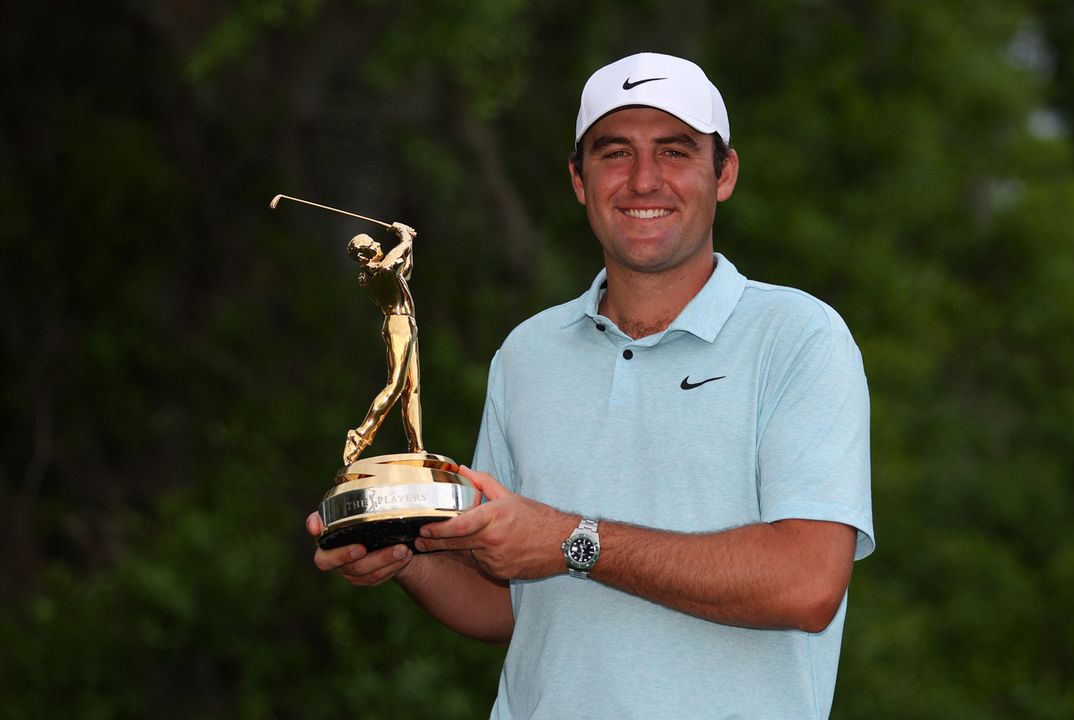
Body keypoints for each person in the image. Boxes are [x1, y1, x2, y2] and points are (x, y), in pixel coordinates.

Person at [308, 52, 875, 719]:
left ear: (724, 174)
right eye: (614, 153)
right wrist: (404, 556)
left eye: (674, 151)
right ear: (578, 179)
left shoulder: (799, 336)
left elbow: (806, 584)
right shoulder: (527, 354)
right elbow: (515, 603)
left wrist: (573, 540)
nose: (642, 180)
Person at [341, 221, 426, 465]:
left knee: (413, 389)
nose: (377, 243)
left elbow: (405, 268)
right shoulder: (372, 275)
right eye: (371, 244)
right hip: (397, 325)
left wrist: (408, 241)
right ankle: (360, 435)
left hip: (408, 324)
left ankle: (417, 448)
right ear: (361, 255)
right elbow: (393, 263)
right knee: (396, 385)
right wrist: (404, 238)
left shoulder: (383, 268)